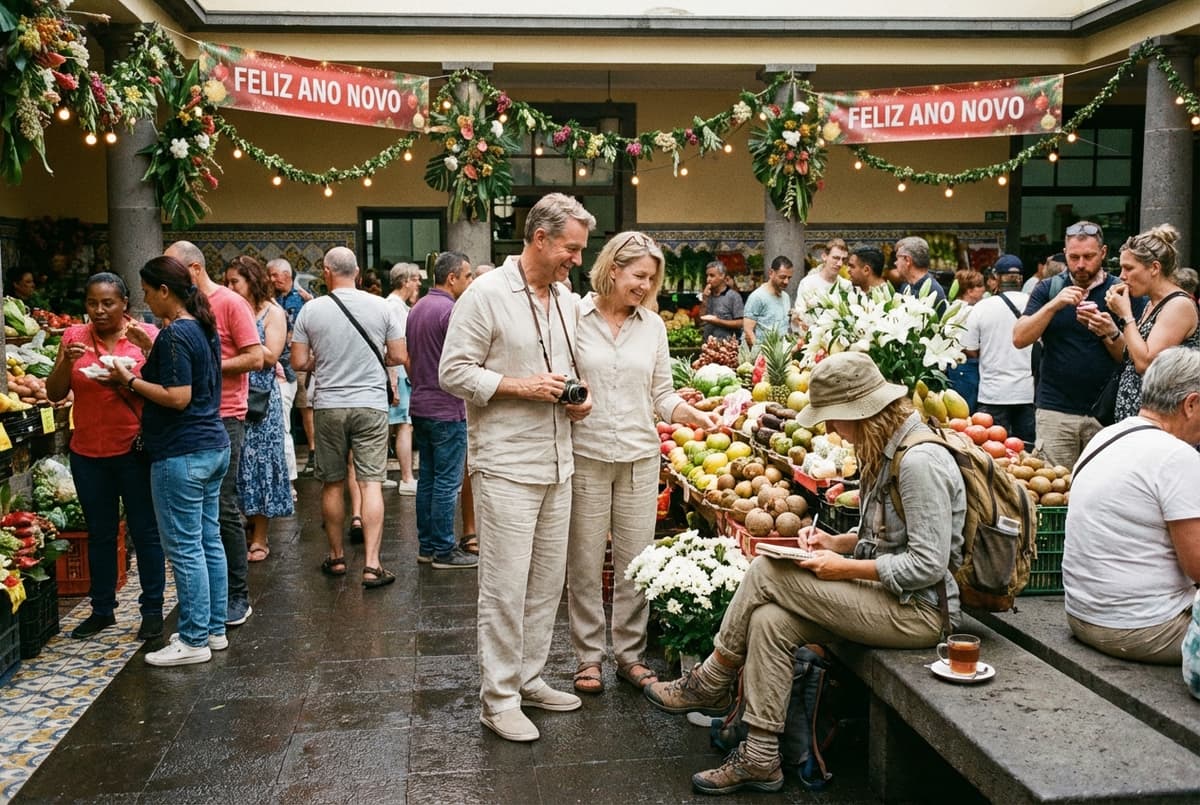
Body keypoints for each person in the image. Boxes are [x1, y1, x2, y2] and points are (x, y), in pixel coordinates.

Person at [644, 351, 964, 795]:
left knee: (766, 572)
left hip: (921, 613)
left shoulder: (917, 462)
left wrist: (843, 567)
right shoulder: (885, 448)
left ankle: (711, 680)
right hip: (892, 598)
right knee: (769, 621)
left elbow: (928, 565)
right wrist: (839, 543)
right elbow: (886, 535)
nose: (831, 429)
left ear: (863, 411)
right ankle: (760, 757)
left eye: (835, 418)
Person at [440, 192, 596, 743]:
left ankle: (529, 678)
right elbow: (452, 372)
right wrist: (520, 387)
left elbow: (569, 368)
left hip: (559, 460)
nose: (577, 259)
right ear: (540, 238)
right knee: (505, 588)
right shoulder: (484, 295)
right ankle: (498, 698)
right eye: (571, 249)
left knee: (545, 584)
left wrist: (579, 399)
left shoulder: (563, 296)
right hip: (506, 463)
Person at [568, 231, 720, 696]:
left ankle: (630, 655)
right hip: (586, 453)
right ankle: (588, 658)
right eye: (638, 276)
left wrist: (690, 414)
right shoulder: (574, 316)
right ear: (613, 269)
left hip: (639, 455)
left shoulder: (652, 326)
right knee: (586, 562)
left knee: (637, 562)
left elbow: (662, 394)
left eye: (651, 279)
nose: (644, 286)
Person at [109, 256, 230, 667]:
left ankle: (193, 638)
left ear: (165, 291)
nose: (144, 299)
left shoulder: (177, 333)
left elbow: (178, 397)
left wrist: (128, 380)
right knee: (208, 540)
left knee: (184, 548)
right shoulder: (201, 325)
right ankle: (214, 630)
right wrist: (150, 348)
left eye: (145, 291)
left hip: (182, 452)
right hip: (211, 445)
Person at [46, 273, 166, 642]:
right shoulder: (73, 338)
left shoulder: (145, 336)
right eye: (92, 303)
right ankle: (101, 609)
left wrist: (139, 362)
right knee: (100, 533)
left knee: (145, 532)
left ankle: (151, 610)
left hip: (133, 449)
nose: (99, 311)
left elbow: (165, 387)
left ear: (125, 304)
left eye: (107, 303)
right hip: (87, 451)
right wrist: (66, 362)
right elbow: (54, 392)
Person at [1062, 346, 1200, 667]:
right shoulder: (1176, 457)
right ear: (1190, 404)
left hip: (1082, 615)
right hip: (1142, 628)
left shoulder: (1106, 437)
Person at [291, 246, 405, 589]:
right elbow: (398, 355)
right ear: (357, 272)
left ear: (326, 272)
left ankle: (337, 557)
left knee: (332, 482)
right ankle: (372, 564)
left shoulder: (311, 310)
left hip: (328, 405)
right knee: (371, 482)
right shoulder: (382, 306)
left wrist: (322, 360)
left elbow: (298, 361)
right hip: (370, 403)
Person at [166, 240, 263, 628]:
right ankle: (208, 596)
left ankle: (237, 595)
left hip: (224, 416)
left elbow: (255, 357)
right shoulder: (178, 309)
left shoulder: (229, 303)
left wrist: (206, 365)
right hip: (186, 416)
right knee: (197, 516)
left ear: (192, 270)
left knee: (222, 509)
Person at [1014, 221, 1143, 468]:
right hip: (1055, 411)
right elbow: (1019, 338)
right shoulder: (1048, 288)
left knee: (1103, 490)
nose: (1081, 264)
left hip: (1106, 414)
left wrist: (1109, 332)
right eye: (1073, 257)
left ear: (1103, 253)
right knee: (1051, 490)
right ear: (1065, 253)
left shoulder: (1120, 292)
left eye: (1088, 256)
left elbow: (1134, 360)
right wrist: (1054, 305)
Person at [407, 251, 475, 568]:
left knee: (428, 480)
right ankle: (445, 550)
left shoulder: (418, 307)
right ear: (452, 278)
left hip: (421, 403)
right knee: (448, 483)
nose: (471, 281)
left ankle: (427, 546)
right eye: (468, 275)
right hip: (447, 407)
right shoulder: (450, 311)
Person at [224, 256, 294, 562]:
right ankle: (241, 525)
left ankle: (261, 537)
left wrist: (245, 337)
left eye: (234, 282)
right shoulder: (226, 309)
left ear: (251, 282)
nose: (229, 287)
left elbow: (271, 355)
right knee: (236, 465)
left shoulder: (272, 312)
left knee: (261, 462)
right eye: (226, 282)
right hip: (230, 396)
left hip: (260, 400)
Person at [1102, 225, 1199, 421]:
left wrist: (1125, 314)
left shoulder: (1178, 305)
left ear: (1154, 267)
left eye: (1129, 268)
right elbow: (1132, 355)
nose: (1122, 276)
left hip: (1165, 420)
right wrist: (1110, 332)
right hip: (1139, 416)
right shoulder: (1151, 304)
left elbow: (1145, 363)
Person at [962, 271, 1036, 443]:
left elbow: (970, 348)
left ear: (995, 280)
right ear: (1021, 279)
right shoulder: (1035, 305)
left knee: (992, 452)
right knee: (1027, 454)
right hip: (1026, 392)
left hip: (992, 392)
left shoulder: (982, 307)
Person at [386, 262, 423, 495]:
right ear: (405, 281)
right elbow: (395, 347)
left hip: (396, 373)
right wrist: (395, 383)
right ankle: (407, 478)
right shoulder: (395, 307)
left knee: (393, 425)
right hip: (399, 373)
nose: (419, 283)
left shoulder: (394, 305)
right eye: (415, 279)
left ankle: (381, 475)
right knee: (404, 425)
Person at [267, 258, 303, 492]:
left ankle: (289, 482)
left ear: (286, 274)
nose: (271, 279)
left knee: (284, 427)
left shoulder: (301, 299)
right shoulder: (271, 302)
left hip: (289, 370)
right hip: (276, 370)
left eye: (274, 275)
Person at [742, 256, 793, 346]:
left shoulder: (786, 297)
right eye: (782, 277)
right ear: (771, 273)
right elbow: (748, 331)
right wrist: (758, 354)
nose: (786, 282)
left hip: (781, 353)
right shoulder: (757, 297)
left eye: (789, 278)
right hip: (763, 353)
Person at [894, 236, 948, 311]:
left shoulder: (934, 292)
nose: (895, 263)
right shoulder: (906, 287)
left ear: (907, 260)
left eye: (897, 258)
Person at [698, 261, 744, 343]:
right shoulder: (707, 295)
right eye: (707, 276)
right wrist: (704, 299)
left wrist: (718, 321)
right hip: (708, 345)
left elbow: (740, 323)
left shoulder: (733, 296)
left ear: (722, 276)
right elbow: (700, 321)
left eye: (712, 276)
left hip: (727, 347)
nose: (708, 279)